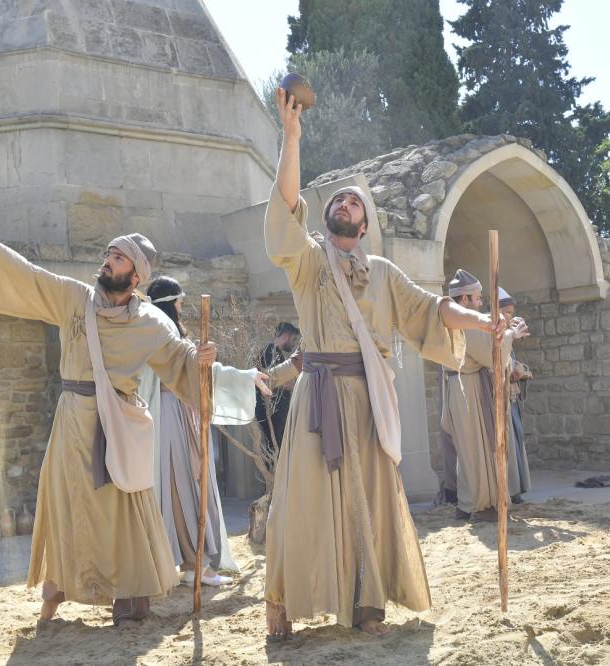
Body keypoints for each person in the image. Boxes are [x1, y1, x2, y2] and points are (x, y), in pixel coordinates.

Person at [263, 87, 501, 639]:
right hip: (319, 397)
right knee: (301, 501)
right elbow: (284, 212)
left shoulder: (386, 274)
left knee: (369, 500)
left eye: (354, 203)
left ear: (365, 224)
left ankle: (367, 603)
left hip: (368, 401)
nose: (344, 206)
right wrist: (291, 138)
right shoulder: (309, 261)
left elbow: (432, 311)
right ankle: (283, 601)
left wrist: (482, 320)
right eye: (338, 202)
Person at [0, 214, 217, 626]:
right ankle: (54, 594)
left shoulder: (151, 323)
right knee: (66, 503)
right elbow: (29, 277)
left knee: (123, 509)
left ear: (136, 276)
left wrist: (201, 359)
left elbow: (179, 359)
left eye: (118, 258)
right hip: (73, 423)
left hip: (119, 427)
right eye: (108, 254)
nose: (107, 261)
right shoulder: (75, 298)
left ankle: (130, 598)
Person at [139, 276, 271, 587]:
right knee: (185, 487)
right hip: (172, 418)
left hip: (169, 415)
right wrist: (246, 377)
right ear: (172, 303)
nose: (182, 308)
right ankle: (196, 565)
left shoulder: (148, 332)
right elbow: (201, 370)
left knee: (181, 488)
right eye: (180, 302)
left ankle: (188, 564)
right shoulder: (164, 335)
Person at [441, 271, 529, 521]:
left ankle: (467, 503)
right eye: (478, 298)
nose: (481, 303)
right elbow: (491, 356)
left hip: (461, 389)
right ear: (464, 299)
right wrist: (512, 335)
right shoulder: (464, 321)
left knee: (468, 450)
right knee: (479, 449)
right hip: (470, 392)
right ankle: (483, 505)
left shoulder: (451, 318)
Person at [499, 288, 532, 503]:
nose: (510, 317)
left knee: (517, 438)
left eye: (512, 313)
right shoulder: (492, 334)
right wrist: (516, 372)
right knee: (507, 443)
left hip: (511, 398)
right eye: (507, 313)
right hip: (499, 400)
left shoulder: (507, 335)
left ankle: (517, 488)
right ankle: (509, 489)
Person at [255, 322, 300, 468]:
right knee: (274, 452)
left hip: (274, 413)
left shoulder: (275, 353)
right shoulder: (271, 352)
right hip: (271, 413)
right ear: (285, 336)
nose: (294, 344)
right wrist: (296, 385)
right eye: (293, 339)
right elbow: (270, 380)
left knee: (276, 451)